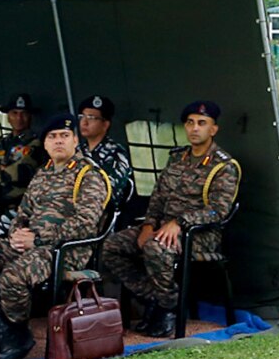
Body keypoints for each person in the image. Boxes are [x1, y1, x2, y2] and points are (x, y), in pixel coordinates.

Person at [0, 114, 110, 359]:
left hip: (64, 251)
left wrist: (38, 238)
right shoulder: (42, 174)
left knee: (12, 276)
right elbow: (23, 213)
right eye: (52, 137)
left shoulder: (88, 175)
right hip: (29, 245)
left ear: (75, 140)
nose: (58, 141)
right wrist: (17, 234)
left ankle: (14, 330)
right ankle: (8, 330)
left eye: (64, 136)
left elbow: (86, 224)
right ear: (46, 144)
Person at [102, 101, 240, 338]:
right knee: (112, 246)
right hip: (161, 229)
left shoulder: (223, 166)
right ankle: (161, 299)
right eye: (190, 123)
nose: (194, 128)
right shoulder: (177, 159)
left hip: (199, 235)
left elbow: (219, 211)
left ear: (213, 129)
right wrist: (148, 225)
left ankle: (166, 309)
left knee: (156, 248)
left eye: (202, 123)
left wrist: (180, 223)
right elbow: (158, 198)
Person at [0, 92, 46, 209]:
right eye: (14, 113)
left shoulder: (36, 143)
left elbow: (20, 172)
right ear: (8, 116)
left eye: (24, 114)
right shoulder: (1, 143)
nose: (19, 118)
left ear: (30, 117)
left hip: (18, 201)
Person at [77, 94, 133, 205]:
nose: (84, 122)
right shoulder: (76, 150)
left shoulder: (117, 153)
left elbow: (112, 191)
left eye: (91, 118)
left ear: (105, 124)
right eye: (82, 117)